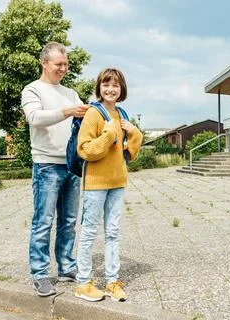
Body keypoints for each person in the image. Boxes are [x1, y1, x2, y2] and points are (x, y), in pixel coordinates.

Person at [21, 42, 89, 297]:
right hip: (46, 165)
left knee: (69, 222)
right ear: (45, 63)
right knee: (43, 222)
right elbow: (35, 118)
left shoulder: (70, 92)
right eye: (59, 64)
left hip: (71, 165)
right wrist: (68, 111)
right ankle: (40, 273)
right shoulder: (32, 90)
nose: (64, 68)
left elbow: (87, 116)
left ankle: (67, 266)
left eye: (66, 64)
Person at [73, 68, 143, 302]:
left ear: (122, 89)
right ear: (99, 88)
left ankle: (112, 281)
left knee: (113, 232)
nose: (110, 89)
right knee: (90, 232)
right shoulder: (94, 113)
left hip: (117, 181)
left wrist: (134, 133)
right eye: (106, 84)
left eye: (115, 85)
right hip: (95, 183)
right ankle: (83, 283)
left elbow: (129, 153)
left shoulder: (121, 113)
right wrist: (108, 135)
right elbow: (84, 150)